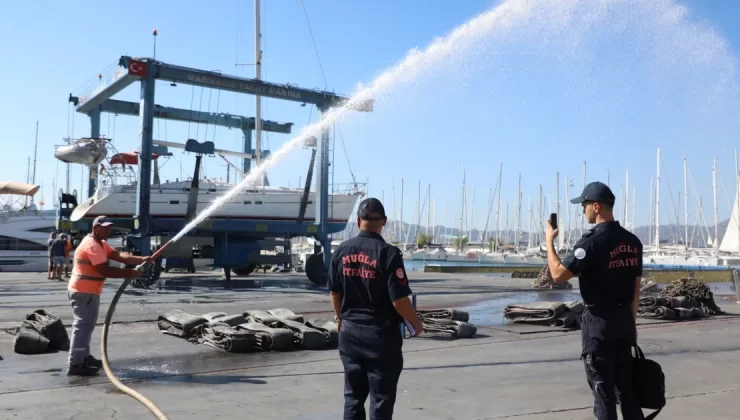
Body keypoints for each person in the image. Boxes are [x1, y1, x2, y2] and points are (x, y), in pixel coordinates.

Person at [545, 181, 644, 420]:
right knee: (627, 391)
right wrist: (631, 325)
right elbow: (636, 288)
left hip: (599, 323)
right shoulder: (633, 242)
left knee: (603, 391)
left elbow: (558, 274)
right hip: (624, 321)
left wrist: (549, 240)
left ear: (597, 207)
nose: (583, 210)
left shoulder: (591, 242)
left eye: (585, 205)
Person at [328, 197, 423, 420]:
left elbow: (334, 292)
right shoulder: (388, 254)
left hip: (350, 333)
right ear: (384, 222)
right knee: (381, 399)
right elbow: (398, 300)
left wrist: (340, 318)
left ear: (358, 221)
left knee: (352, 397)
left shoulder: (341, 251)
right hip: (380, 336)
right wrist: (416, 323)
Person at [66, 216, 151, 376]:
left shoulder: (101, 244)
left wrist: (141, 259)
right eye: (105, 227)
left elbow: (119, 256)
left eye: (109, 227)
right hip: (84, 291)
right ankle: (76, 363)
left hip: (89, 290)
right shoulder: (91, 245)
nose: (108, 230)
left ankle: (84, 357)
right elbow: (105, 270)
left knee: (87, 326)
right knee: (83, 327)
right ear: (95, 228)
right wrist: (131, 272)